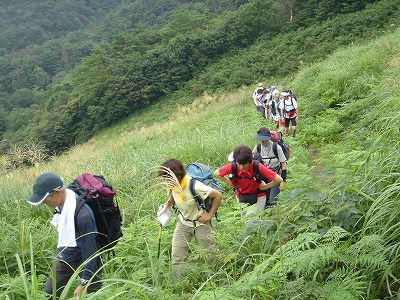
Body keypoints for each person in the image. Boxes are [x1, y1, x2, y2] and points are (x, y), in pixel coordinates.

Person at [27, 173, 101, 297]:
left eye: (45, 200)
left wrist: (84, 282)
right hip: (66, 256)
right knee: (49, 293)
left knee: (94, 294)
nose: (44, 203)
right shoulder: (62, 204)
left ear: (57, 192)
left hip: (85, 259)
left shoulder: (83, 215)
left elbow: (90, 251)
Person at [158, 159, 222, 277]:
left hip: (201, 224)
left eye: (166, 179)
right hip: (183, 223)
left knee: (210, 254)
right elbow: (172, 195)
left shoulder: (194, 185)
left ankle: (217, 277)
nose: (165, 182)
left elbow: (218, 195)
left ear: (177, 176)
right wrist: (167, 206)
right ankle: (178, 283)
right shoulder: (172, 184)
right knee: (177, 255)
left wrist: (209, 214)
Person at [214, 145, 282, 215]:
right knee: (244, 221)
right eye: (239, 164)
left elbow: (278, 179)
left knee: (249, 223)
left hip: (258, 198)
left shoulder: (257, 166)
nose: (241, 167)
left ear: (250, 161)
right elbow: (217, 173)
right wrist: (231, 183)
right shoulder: (233, 166)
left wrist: (265, 187)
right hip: (241, 197)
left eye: (244, 164)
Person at [253, 128, 287, 206]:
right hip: (263, 177)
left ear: (268, 138)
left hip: (276, 177)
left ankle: (275, 214)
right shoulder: (257, 148)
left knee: (273, 200)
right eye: (260, 140)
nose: (262, 142)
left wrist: (283, 181)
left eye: (264, 140)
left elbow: (283, 164)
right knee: (264, 200)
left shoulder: (276, 148)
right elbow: (252, 160)